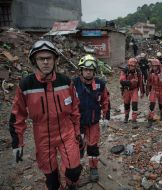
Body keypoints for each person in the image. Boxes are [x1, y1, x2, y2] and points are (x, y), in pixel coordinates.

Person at [9, 40, 82, 190]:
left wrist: (77, 132)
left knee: (74, 170)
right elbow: (18, 115)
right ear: (34, 61)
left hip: (66, 131)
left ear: (55, 60)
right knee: (51, 179)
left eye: (49, 58)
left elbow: (75, 109)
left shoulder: (66, 82)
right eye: (41, 58)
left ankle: (69, 183)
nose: (46, 62)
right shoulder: (26, 85)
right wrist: (17, 143)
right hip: (42, 135)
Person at [73, 54, 110, 182]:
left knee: (93, 146)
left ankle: (93, 168)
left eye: (90, 70)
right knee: (78, 146)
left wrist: (106, 117)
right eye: (85, 70)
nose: (88, 72)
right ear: (81, 70)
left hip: (93, 121)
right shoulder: (73, 84)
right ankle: (75, 168)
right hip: (78, 123)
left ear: (94, 71)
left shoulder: (100, 84)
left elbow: (106, 100)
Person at [120, 58, 144, 125]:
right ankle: (126, 116)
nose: (132, 67)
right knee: (126, 104)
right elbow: (122, 81)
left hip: (134, 89)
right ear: (129, 65)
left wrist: (142, 91)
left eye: (133, 66)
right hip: (126, 89)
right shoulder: (124, 70)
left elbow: (140, 82)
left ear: (136, 66)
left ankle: (134, 119)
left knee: (134, 104)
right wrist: (130, 82)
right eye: (131, 66)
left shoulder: (138, 72)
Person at [146, 59, 162, 127]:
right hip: (154, 90)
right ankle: (150, 119)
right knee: (152, 104)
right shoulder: (150, 72)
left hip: (161, 90)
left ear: (158, 66)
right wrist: (148, 91)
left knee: (161, 104)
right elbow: (148, 82)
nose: (154, 67)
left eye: (156, 66)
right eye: (153, 66)